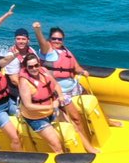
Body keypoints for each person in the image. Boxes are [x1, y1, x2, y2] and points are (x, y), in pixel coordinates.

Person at [34, 21, 98, 154]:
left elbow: (76, 67)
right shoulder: (48, 51)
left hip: (73, 86)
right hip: (61, 92)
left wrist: (82, 71)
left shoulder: (65, 50)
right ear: (49, 40)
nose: (57, 41)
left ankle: (108, 122)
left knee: (93, 100)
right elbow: (41, 42)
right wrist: (38, 30)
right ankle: (86, 146)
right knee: (75, 118)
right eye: (54, 39)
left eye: (59, 39)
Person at [16, 53, 66, 153]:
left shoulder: (44, 71)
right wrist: (51, 106)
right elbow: (28, 105)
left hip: (51, 110)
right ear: (26, 67)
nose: (34, 69)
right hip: (37, 118)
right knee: (56, 145)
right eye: (30, 67)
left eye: (36, 65)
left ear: (39, 64)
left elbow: (55, 85)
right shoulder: (24, 82)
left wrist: (60, 96)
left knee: (73, 129)